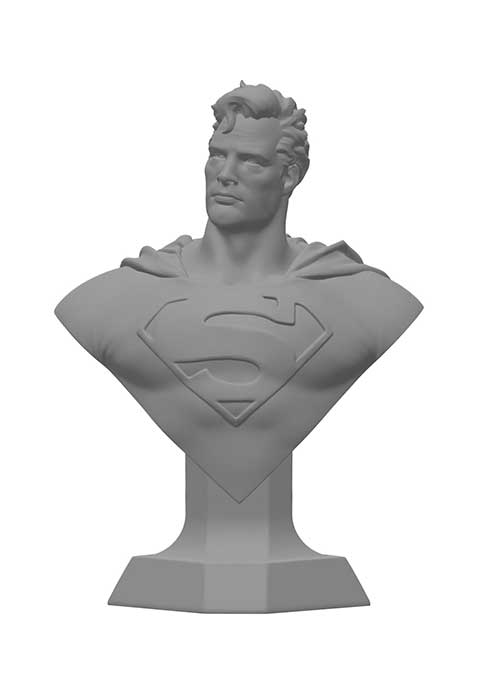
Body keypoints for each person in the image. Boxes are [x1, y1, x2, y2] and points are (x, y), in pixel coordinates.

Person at [55, 82, 423, 502]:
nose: (225, 174)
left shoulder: (364, 301)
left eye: (250, 161)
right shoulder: (113, 301)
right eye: (217, 155)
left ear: (289, 176)